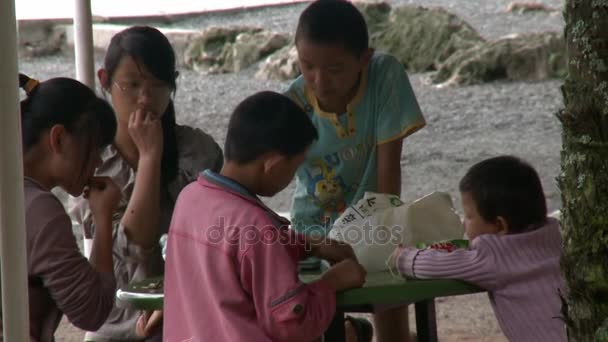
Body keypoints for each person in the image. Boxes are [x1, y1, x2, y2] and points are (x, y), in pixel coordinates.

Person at [163, 91, 368, 342]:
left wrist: (305, 244)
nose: (293, 176)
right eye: (295, 166)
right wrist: (332, 282)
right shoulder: (258, 227)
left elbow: (235, 252)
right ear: (273, 164)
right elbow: (291, 325)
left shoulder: (190, 198)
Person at [70, 26, 223, 341]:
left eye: (157, 85)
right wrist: (150, 156)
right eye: (132, 85)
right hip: (116, 322)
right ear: (104, 81)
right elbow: (136, 247)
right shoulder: (91, 160)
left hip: (190, 311)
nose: (145, 98)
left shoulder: (197, 152)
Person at [285, 0, 426, 340]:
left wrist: (380, 231)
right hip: (314, 229)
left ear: (364, 58)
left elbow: (389, 169)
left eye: (334, 69)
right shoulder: (292, 102)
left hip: (375, 220)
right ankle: (350, 332)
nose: (320, 81)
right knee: (313, 314)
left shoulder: (384, 75)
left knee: (390, 302)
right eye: (307, 66)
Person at [392, 155, 567, 341]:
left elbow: (436, 265)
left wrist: (402, 256)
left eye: (468, 216)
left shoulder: (494, 255)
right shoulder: (555, 234)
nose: (463, 223)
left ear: (500, 225)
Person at [0, 74, 121, 341]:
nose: (98, 162)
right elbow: (92, 311)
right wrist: (102, 220)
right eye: (94, 147)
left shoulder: (12, 192)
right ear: (58, 138)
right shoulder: (38, 210)